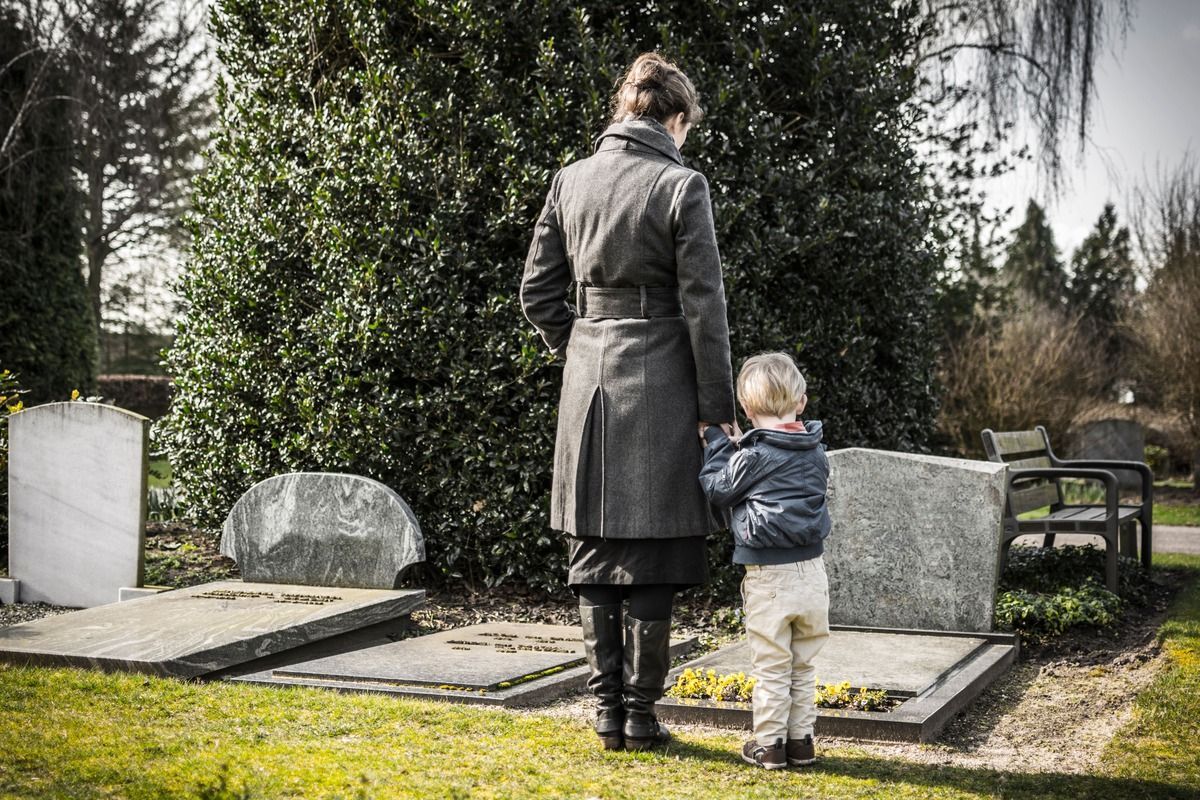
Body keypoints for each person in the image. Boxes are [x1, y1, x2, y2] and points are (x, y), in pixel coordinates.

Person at [520, 52, 735, 752]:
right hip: (665, 378)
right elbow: (705, 308)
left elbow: (536, 294)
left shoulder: (570, 180)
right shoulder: (682, 185)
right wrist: (716, 408)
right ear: (674, 120)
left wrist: (580, 343)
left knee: (596, 545)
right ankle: (641, 717)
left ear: (623, 111)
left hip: (588, 380)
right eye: (686, 128)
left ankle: (607, 714)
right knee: (654, 552)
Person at [698, 352, 831, 770]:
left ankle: (770, 744)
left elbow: (719, 489)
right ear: (802, 402)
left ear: (747, 409)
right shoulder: (816, 451)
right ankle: (802, 741)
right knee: (803, 664)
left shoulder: (752, 456)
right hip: (813, 574)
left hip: (769, 576)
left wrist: (720, 445)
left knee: (772, 664)